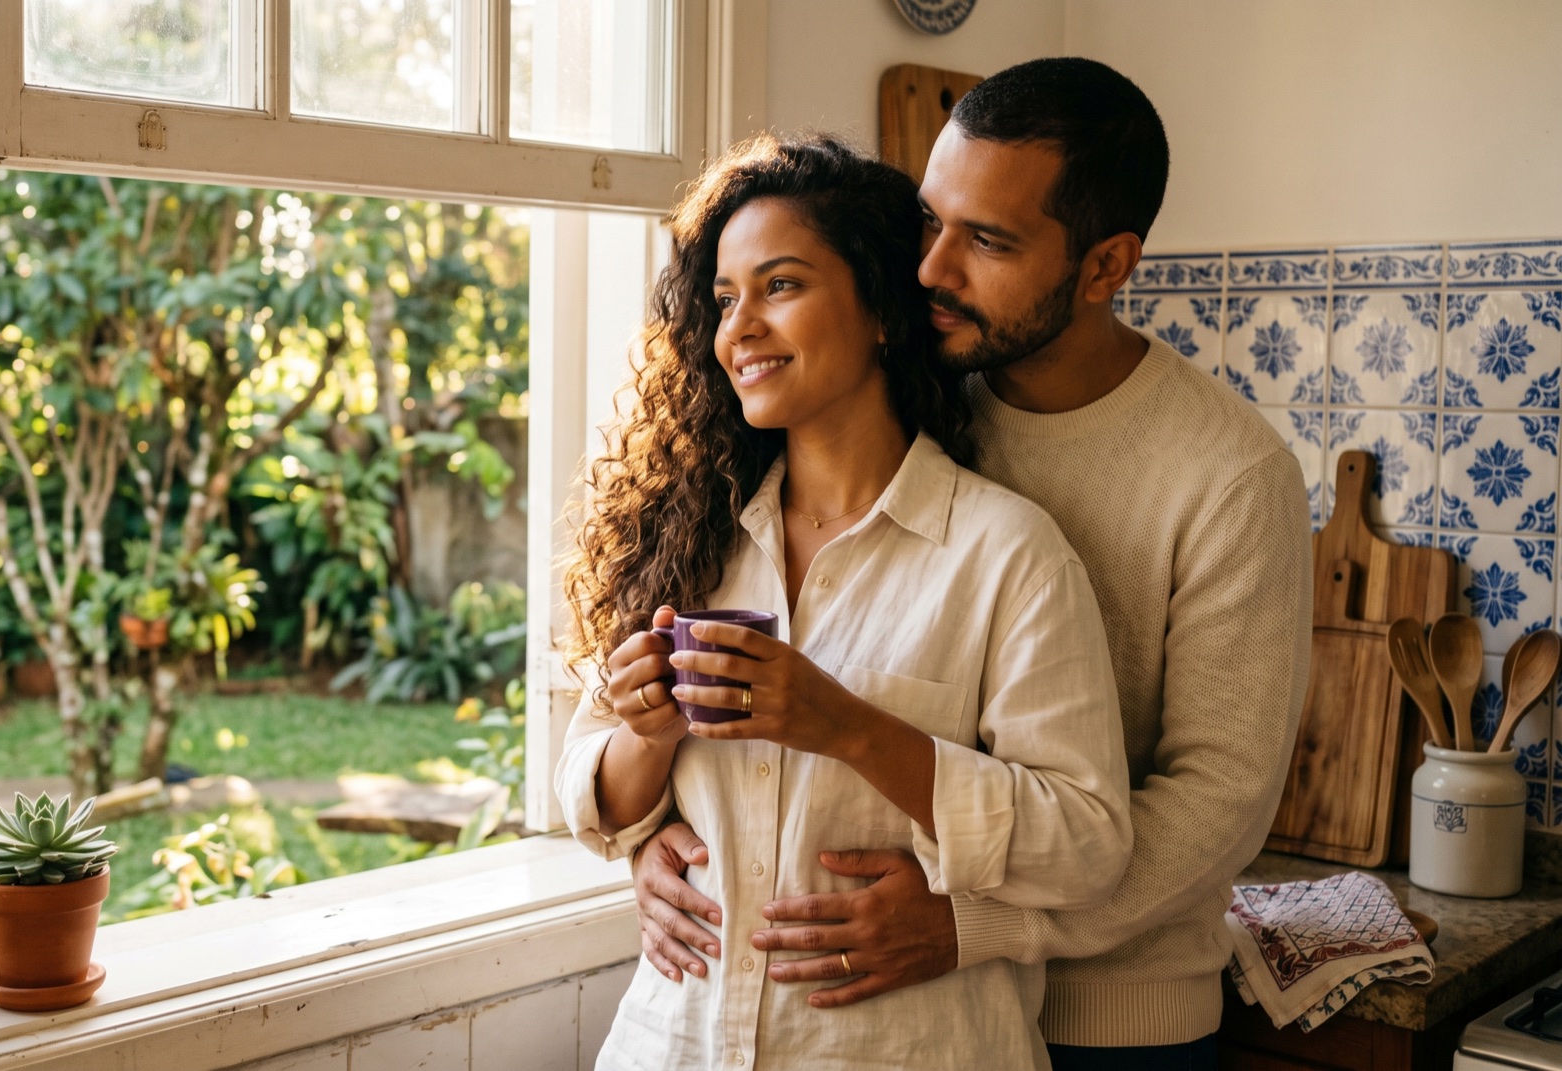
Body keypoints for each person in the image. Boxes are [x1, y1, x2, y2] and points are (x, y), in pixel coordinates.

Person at [628, 58, 1312, 1071]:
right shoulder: (912, 411)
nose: (933, 270)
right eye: (930, 224)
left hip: (1112, 1014)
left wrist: (975, 927)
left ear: (1104, 266)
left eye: (986, 241)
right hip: (873, 985)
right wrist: (658, 835)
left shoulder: (1229, 473)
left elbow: (1219, 799)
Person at [554, 133, 1134, 1071]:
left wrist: (849, 727)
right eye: (724, 299)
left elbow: (1086, 845)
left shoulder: (1004, 556)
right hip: (677, 1042)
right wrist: (647, 733)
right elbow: (598, 801)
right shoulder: (693, 540)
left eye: (780, 286)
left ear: (880, 311)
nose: (738, 328)